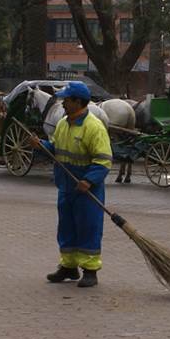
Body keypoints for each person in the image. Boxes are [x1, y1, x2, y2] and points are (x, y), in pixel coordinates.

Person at [45, 82, 114, 289]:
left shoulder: (94, 127)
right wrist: (41, 146)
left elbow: (104, 160)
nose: (63, 103)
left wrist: (89, 180)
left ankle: (90, 271)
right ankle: (69, 266)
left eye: (66, 99)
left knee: (88, 227)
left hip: (86, 188)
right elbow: (56, 149)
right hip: (66, 185)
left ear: (78, 102)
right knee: (66, 227)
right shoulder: (63, 124)